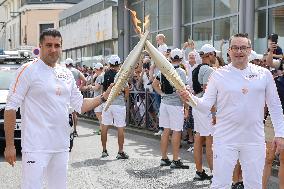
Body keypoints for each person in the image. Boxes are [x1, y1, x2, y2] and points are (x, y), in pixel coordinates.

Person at [4, 28, 111, 189]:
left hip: (60, 146)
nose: (53, 49)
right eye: (48, 45)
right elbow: (11, 108)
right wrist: (10, 145)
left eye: (57, 45)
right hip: (35, 147)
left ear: (61, 47)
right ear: (40, 46)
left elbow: (80, 105)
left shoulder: (66, 73)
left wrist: (104, 96)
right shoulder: (28, 70)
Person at [178, 33, 284, 188]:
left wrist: (280, 134)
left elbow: (275, 106)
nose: (239, 51)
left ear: (249, 50)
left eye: (243, 48)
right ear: (229, 51)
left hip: (254, 139)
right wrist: (189, 98)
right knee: (220, 184)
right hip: (225, 139)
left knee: (254, 184)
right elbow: (206, 105)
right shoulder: (218, 74)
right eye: (235, 47)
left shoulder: (264, 74)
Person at [152, 48, 189, 169]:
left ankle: (164, 158)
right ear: (181, 59)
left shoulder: (163, 70)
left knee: (165, 131)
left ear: (171, 59)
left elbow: (154, 84)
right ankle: (175, 159)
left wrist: (161, 94)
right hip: (176, 104)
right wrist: (186, 107)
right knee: (176, 131)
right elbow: (182, 91)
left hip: (165, 103)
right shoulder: (182, 72)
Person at [192, 44, 216, 180]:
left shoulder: (196, 69)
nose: (215, 56)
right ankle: (214, 173)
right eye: (214, 54)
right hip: (205, 108)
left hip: (197, 105)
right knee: (209, 140)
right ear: (209, 55)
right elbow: (208, 92)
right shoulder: (208, 70)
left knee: (199, 138)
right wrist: (214, 112)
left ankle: (199, 171)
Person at [100, 55, 130, 159]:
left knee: (104, 127)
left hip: (107, 103)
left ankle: (104, 150)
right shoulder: (120, 75)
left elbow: (103, 89)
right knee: (120, 128)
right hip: (119, 103)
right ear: (119, 64)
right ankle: (120, 152)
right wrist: (124, 99)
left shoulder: (105, 74)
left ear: (110, 64)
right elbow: (127, 90)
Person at [65, 58, 87, 137]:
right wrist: (79, 88)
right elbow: (84, 80)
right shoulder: (77, 71)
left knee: (65, 111)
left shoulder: (63, 70)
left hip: (65, 94)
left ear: (66, 64)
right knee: (74, 113)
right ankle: (75, 130)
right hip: (74, 94)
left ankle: (66, 130)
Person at [88, 63, 104, 135]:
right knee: (100, 114)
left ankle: (102, 129)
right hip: (102, 97)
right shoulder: (103, 75)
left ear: (97, 69)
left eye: (95, 70)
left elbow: (97, 87)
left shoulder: (99, 77)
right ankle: (101, 129)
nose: (94, 71)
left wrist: (91, 87)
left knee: (98, 113)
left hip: (98, 98)